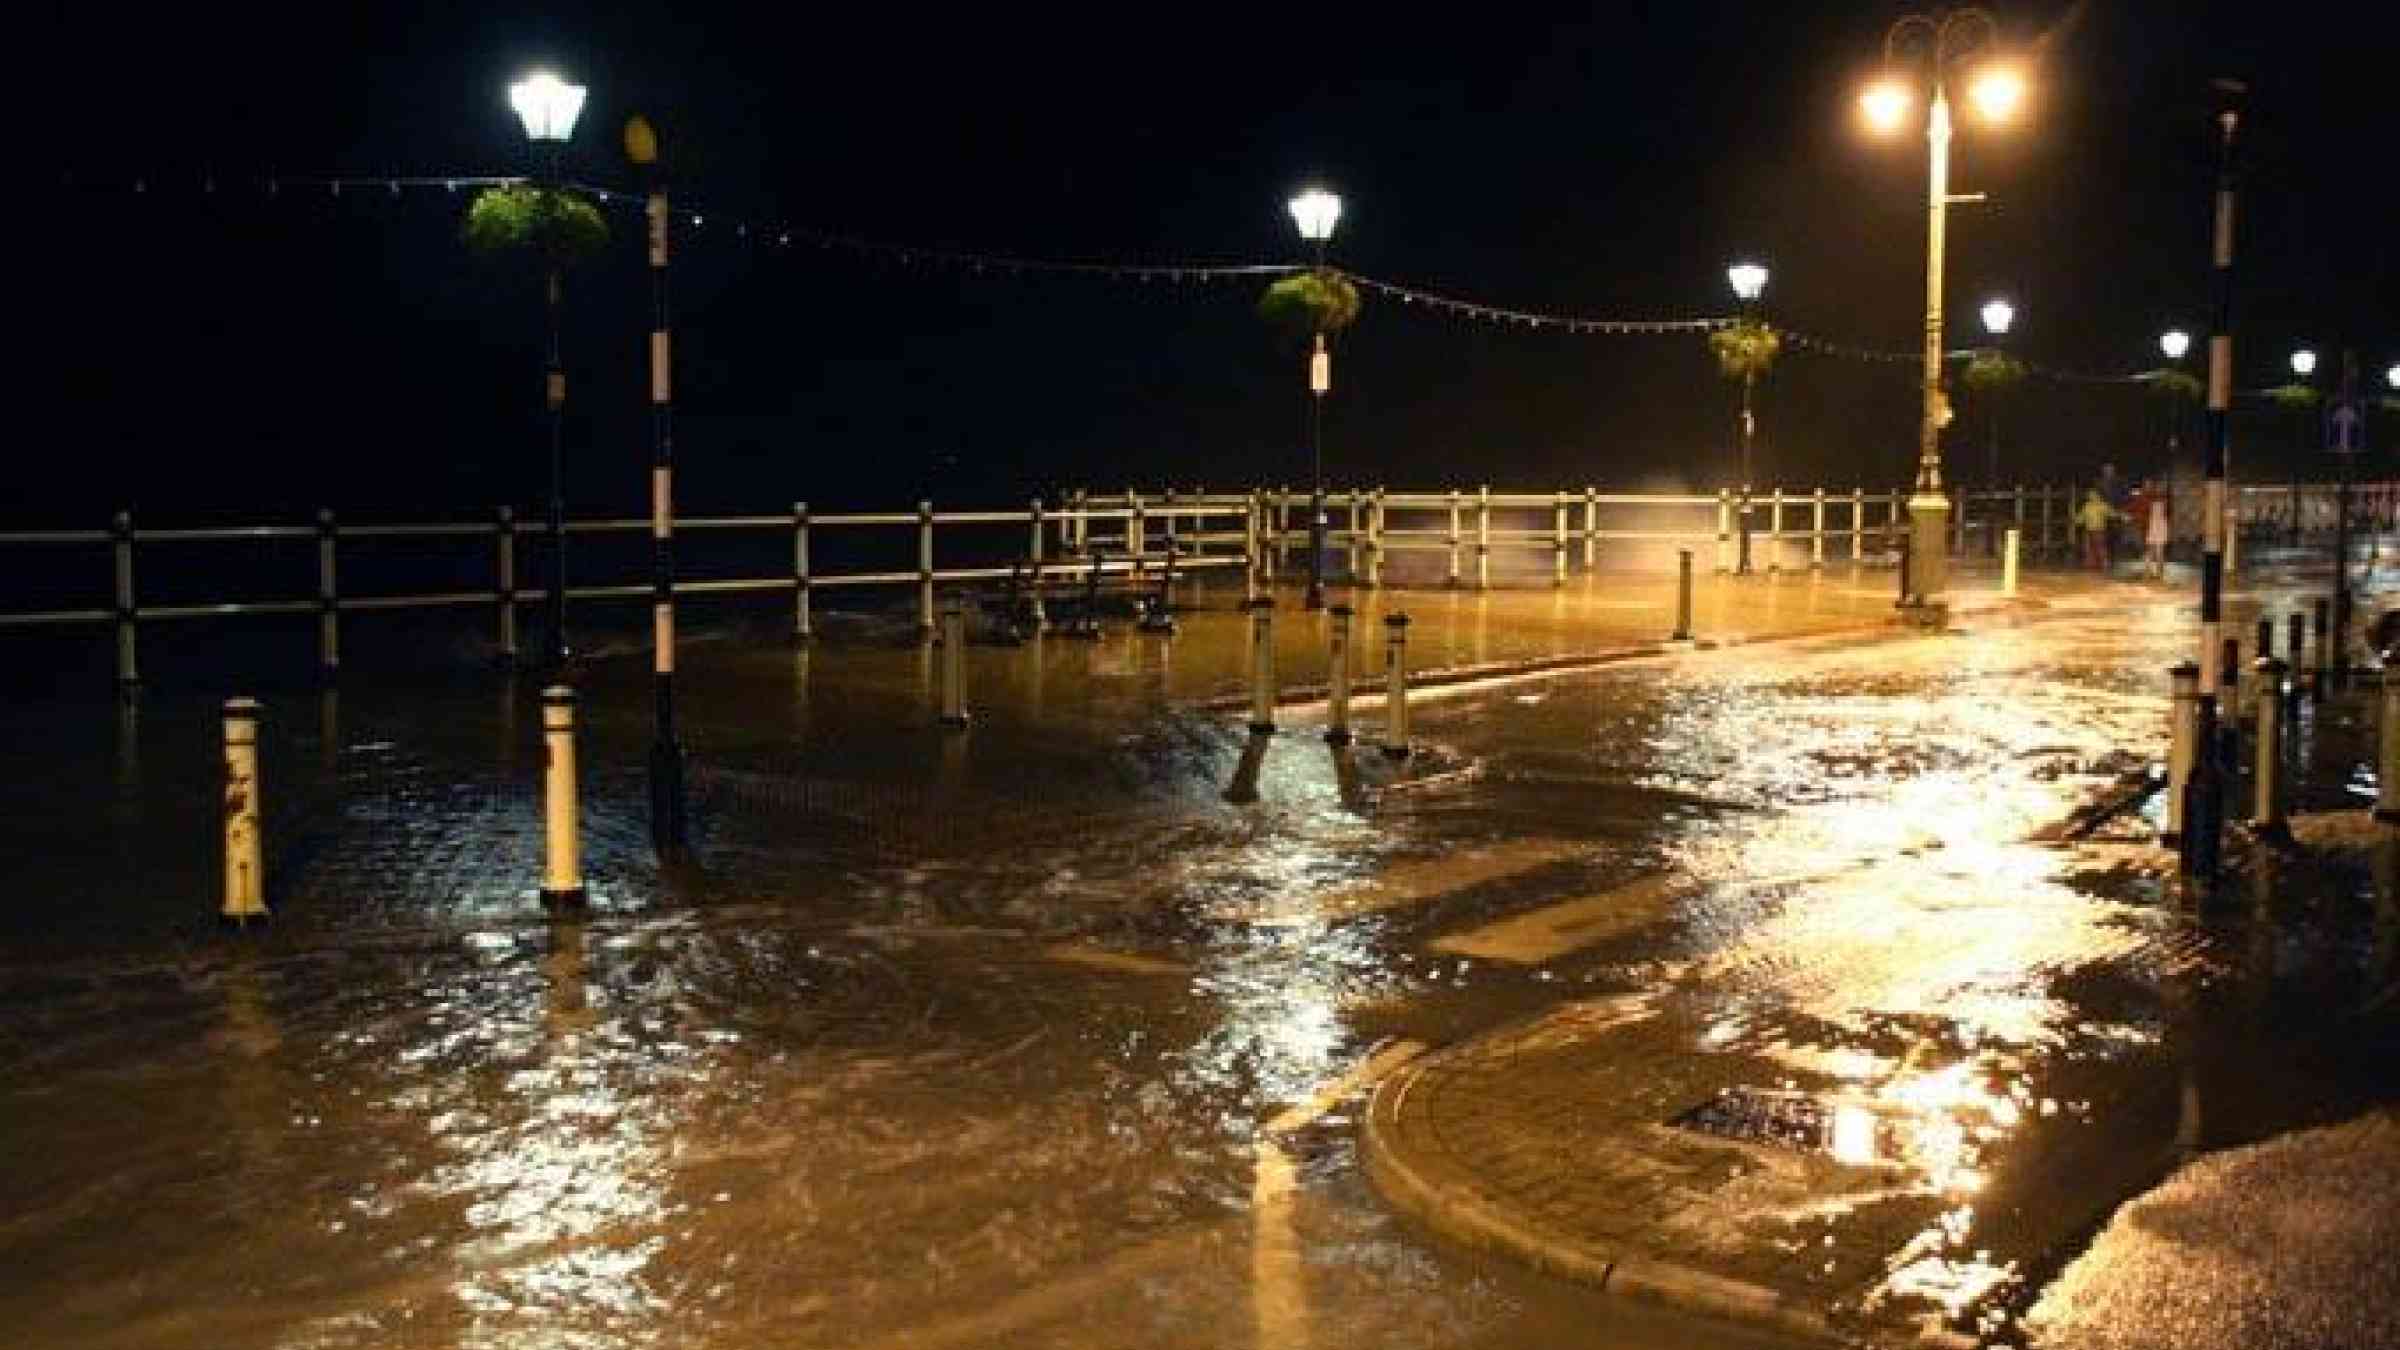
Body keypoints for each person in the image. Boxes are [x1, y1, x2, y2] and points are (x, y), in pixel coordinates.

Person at [2078, 489, 2119, 572]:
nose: (2090, 496)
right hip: (2089, 530)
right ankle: (2090, 566)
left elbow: (2112, 514)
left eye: (2092, 494)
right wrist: (2077, 520)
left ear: (2098, 495)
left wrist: (2121, 516)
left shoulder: (2103, 506)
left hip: (2099, 530)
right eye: (2089, 495)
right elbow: (2081, 517)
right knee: (2089, 549)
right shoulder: (2087, 506)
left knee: (2100, 548)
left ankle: (2105, 564)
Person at [2144, 488, 2172, 580]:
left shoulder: (2154, 502)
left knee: (2156, 551)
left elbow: (2167, 515)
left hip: (2157, 526)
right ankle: (2154, 571)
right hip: (2156, 526)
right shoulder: (2156, 503)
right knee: (2156, 551)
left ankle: (2155, 571)